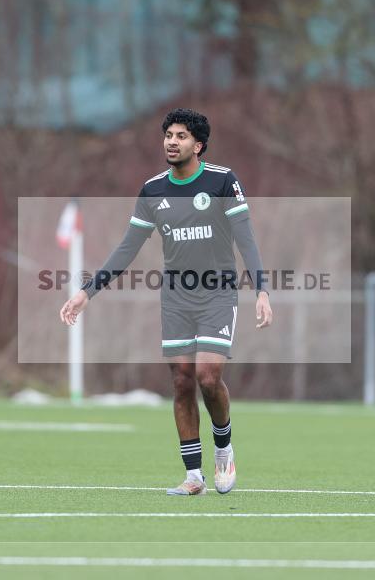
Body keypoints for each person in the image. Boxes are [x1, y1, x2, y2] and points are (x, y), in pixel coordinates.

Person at [60, 108, 272, 496]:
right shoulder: (153, 190)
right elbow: (128, 247)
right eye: (168, 135)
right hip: (176, 296)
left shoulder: (223, 182)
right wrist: (86, 291)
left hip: (218, 292)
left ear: (199, 145)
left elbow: (246, 238)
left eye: (181, 136)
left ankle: (223, 446)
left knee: (209, 377)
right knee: (181, 381)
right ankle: (194, 476)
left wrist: (262, 290)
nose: (171, 142)